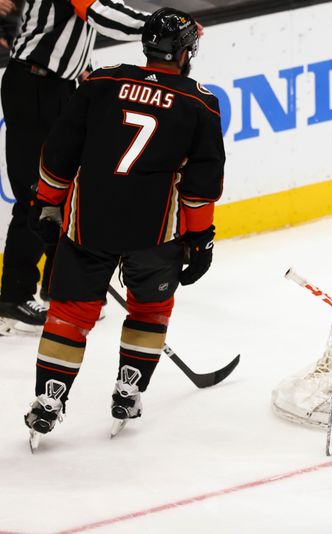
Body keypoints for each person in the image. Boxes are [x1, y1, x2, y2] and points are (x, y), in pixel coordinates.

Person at [23, 7, 225, 450]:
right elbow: (199, 187)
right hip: (154, 235)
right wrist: (199, 238)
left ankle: (48, 400)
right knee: (149, 311)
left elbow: (59, 153)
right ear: (186, 52)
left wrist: (46, 205)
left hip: (87, 225)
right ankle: (128, 392)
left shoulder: (100, 82)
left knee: (69, 315)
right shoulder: (200, 103)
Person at [0, 0, 150, 330]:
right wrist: (162, 24)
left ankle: (60, 290)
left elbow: (79, 28)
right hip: (34, 86)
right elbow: (100, 13)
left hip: (58, 86)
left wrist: (83, 68)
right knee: (37, 192)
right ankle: (13, 295)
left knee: (69, 188)